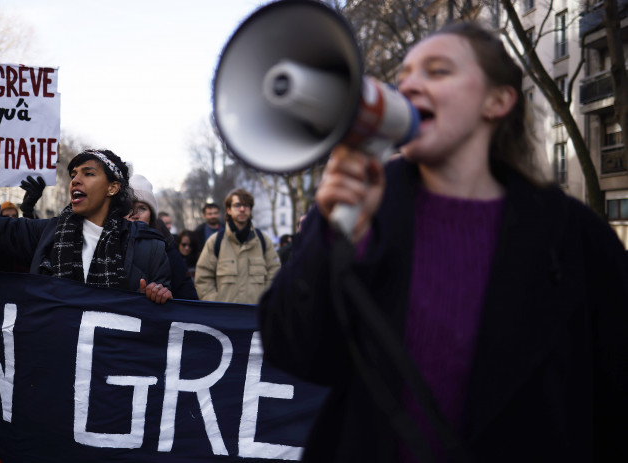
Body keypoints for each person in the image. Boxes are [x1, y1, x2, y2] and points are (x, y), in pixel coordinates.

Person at [258, 22, 628, 463]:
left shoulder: (573, 235)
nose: (410, 85)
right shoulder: (364, 206)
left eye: (437, 71)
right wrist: (334, 236)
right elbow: (294, 351)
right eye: (404, 77)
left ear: (498, 100)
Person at [0, 130, 173, 304]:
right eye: (73, 174)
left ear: (112, 188)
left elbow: (166, 320)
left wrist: (157, 298)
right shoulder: (46, 235)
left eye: (89, 173)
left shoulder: (149, 248)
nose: (75, 180)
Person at [195, 188, 280, 304]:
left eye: (246, 206)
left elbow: (275, 274)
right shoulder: (215, 241)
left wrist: (266, 302)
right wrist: (216, 304)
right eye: (237, 205)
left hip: (255, 316)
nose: (242, 209)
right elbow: (203, 278)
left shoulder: (263, 240)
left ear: (250, 210)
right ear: (228, 210)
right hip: (225, 318)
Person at [127, 174, 198, 300]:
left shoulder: (168, 249)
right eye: (128, 208)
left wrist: (164, 299)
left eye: (142, 208)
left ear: (152, 216)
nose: (135, 215)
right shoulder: (108, 245)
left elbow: (188, 298)